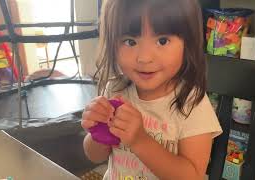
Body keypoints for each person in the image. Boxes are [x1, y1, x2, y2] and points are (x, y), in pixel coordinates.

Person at [81, 0, 222, 179]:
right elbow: (95, 156)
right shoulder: (115, 89)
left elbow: (192, 175)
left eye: (162, 41)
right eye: (130, 41)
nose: (144, 58)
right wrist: (96, 131)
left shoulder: (192, 103)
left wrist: (140, 141)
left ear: (188, 42)